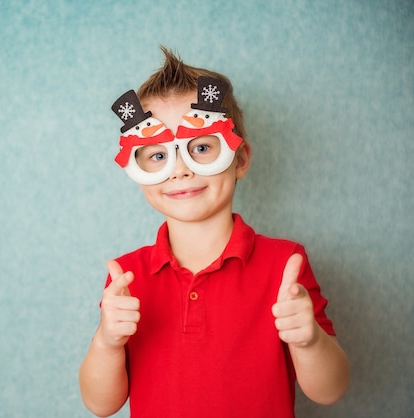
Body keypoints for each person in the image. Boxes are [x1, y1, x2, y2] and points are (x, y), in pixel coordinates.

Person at [79, 47, 349, 418]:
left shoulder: (285, 265)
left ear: (239, 159)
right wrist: (108, 343)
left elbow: (330, 390)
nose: (179, 170)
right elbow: (100, 404)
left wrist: (309, 340)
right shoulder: (127, 278)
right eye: (157, 155)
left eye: (202, 147)